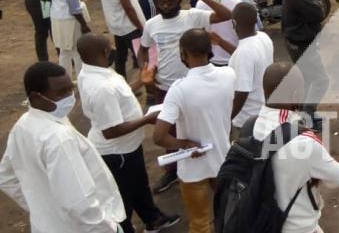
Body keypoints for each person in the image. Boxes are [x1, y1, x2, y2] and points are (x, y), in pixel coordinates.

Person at [0, 62, 126, 232]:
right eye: (61, 93)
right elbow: (81, 204)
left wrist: (41, 207)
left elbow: (6, 177)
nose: (70, 97)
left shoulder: (23, 125)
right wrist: (109, 228)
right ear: (36, 97)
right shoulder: (58, 138)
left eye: (70, 89)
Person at [75, 34, 181, 233]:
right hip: (118, 153)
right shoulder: (101, 88)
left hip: (128, 147)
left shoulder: (94, 72)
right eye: (110, 46)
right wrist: (147, 119)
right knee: (122, 197)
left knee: (139, 185)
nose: (114, 48)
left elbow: (118, 96)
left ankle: (153, 218)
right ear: (105, 52)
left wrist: (140, 83)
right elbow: (111, 131)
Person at [138, 0, 232, 193]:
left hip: (193, 87)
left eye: (170, 2)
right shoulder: (151, 24)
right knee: (169, 132)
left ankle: (214, 170)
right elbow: (143, 49)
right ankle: (172, 171)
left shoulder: (193, 16)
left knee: (201, 127)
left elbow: (226, 14)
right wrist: (144, 68)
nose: (165, 6)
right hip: (166, 87)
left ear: (179, 0)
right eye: (161, 2)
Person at [153, 29, 236, 232]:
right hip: (222, 159)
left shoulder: (179, 89)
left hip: (193, 167)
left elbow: (159, 136)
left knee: (200, 223)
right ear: (210, 50)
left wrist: (185, 144)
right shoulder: (229, 74)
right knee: (228, 213)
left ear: (183, 54)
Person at [252, 62, 339, 233]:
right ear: (295, 94)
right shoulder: (304, 142)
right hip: (298, 227)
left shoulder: (251, 127)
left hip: (261, 223)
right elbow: (336, 178)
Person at [280, 0, 330, 129]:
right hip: (302, 43)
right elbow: (319, 13)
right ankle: (307, 118)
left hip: (295, 40)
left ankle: (305, 113)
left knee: (308, 79)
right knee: (321, 81)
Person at [225, 2, 274, 129]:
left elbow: (242, 93)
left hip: (248, 120)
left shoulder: (244, 52)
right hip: (264, 112)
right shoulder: (263, 37)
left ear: (234, 23)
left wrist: (226, 119)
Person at [196, 0, 243, 66]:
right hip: (233, 57)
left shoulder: (201, 3)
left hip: (209, 60)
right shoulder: (239, 5)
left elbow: (198, 31)